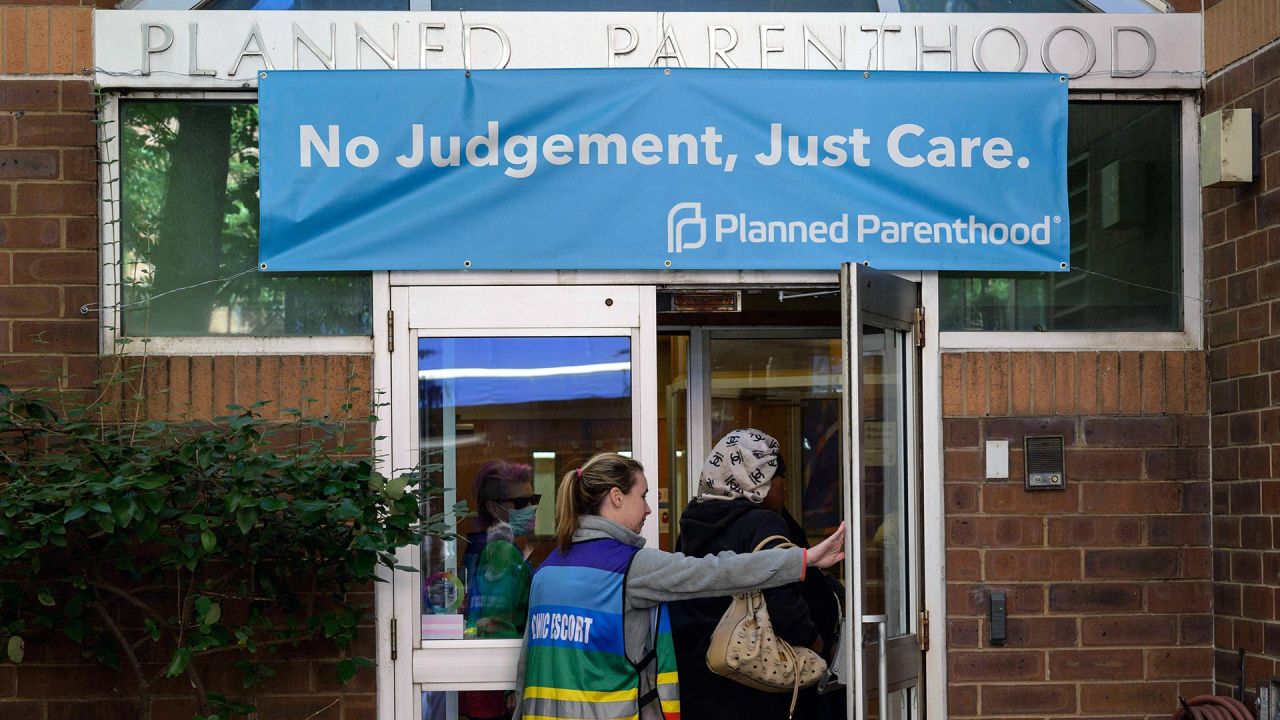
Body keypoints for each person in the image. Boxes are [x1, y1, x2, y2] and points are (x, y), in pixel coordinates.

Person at [513, 452, 845, 720]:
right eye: (641, 496)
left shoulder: (548, 570)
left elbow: (527, 670)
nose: (647, 508)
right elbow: (719, 572)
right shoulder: (631, 566)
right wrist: (803, 559)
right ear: (615, 497)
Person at [670, 428, 838, 720]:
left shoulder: (694, 521)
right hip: (753, 682)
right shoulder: (763, 524)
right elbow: (781, 599)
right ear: (755, 480)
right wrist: (816, 642)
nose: (783, 486)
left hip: (700, 679)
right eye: (776, 475)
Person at [460, 460, 539, 720]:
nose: (531, 508)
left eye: (533, 499)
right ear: (494, 508)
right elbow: (495, 622)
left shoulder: (491, 546)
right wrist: (510, 690)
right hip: (497, 693)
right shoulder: (501, 551)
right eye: (520, 503)